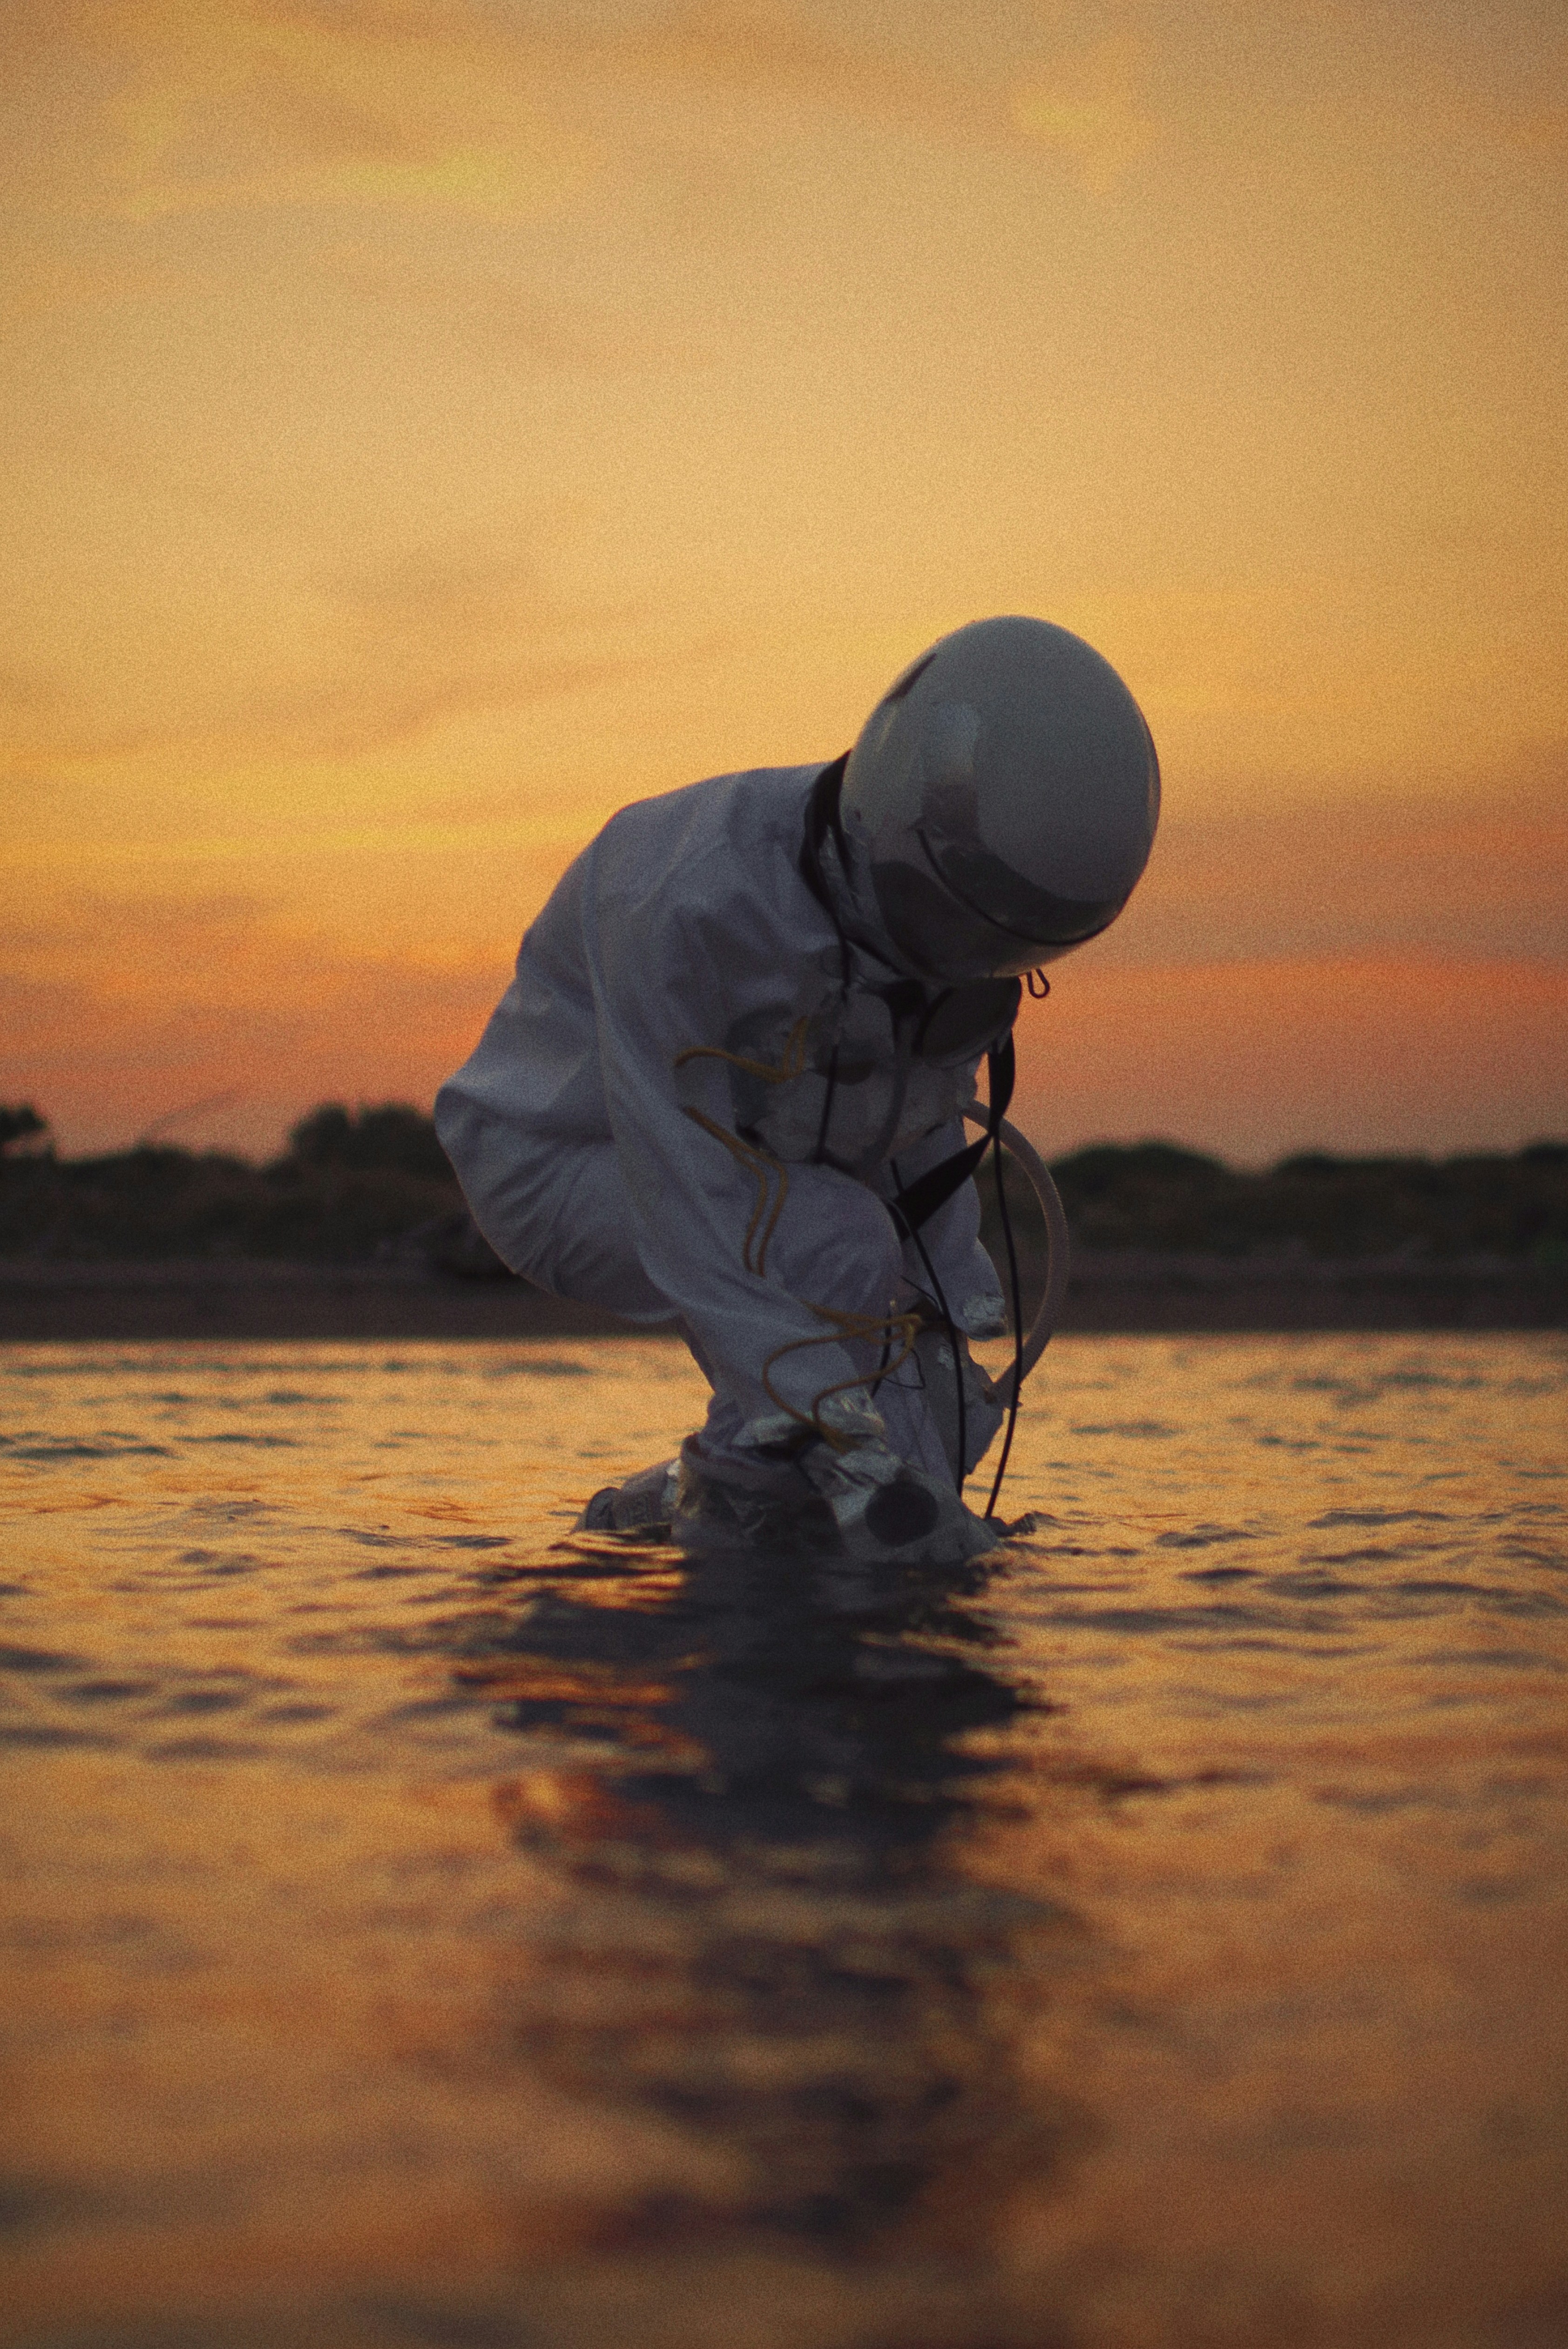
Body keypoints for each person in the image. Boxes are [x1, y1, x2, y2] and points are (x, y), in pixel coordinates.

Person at [435, 616, 1159, 1561]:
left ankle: (663, 1512)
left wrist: (949, 1329)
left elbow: (922, 1136)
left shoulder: (949, 937)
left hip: (766, 1169)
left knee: (929, 1417)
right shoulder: (678, 890)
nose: (959, 965)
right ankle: (737, 1528)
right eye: (952, 930)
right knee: (837, 1255)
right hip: (558, 1158)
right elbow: (682, 1177)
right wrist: (840, 1435)